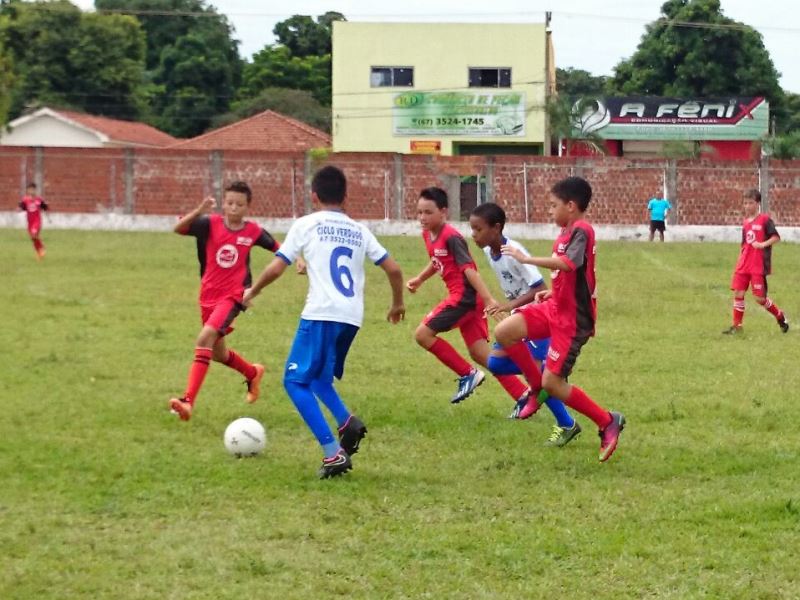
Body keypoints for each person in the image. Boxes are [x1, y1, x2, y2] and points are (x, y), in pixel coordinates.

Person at [243, 166, 405, 479]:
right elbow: (395, 270)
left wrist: (254, 290)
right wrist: (397, 303)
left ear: (314, 196)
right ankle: (347, 422)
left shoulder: (306, 224)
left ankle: (333, 452)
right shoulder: (360, 230)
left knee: (293, 381)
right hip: (351, 317)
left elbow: (278, 267)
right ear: (346, 197)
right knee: (318, 379)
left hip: (321, 313)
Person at [495, 176, 625, 462]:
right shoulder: (565, 233)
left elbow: (569, 264)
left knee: (555, 383)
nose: (550, 211)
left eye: (553, 206)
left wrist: (525, 259)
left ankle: (607, 421)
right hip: (555, 309)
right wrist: (550, 294)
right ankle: (535, 388)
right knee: (505, 331)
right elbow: (570, 278)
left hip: (573, 321)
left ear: (571, 205)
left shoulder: (582, 229)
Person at [469, 202, 581, 447]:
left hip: (534, 318)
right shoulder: (490, 252)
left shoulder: (514, 251)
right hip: (518, 320)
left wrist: (508, 307)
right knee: (497, 363)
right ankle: (544, 388)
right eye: (472, 229)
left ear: (496, 228)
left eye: (478, 229)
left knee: (540, 377)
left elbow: (539, 289)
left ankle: (566, 422)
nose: (473, 235)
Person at [169, 181, 283, 422]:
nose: (233, 208)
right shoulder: (209, 223)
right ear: (224, 203)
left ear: (248, 206)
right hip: (207, 296)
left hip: (234, 296)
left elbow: (278, 247)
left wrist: (299, 261)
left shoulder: (252, 231)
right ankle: (252, 373)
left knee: (204, 339)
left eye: (239, 204)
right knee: (218, 354)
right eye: (229, 203)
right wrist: (199, 210)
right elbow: (178, 228)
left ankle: (187, 400)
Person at [406, 187, 529, 409]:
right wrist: (420, 279)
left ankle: (468, 374)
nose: (422, 218)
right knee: (482, 354)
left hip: (464, 298)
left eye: (428, 212)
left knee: (423, 334)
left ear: (443, 212)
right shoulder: (428, 235)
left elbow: (469, 269)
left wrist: (489, 299)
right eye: (419, 212)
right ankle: (523, 395)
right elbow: (438, 261)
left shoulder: (451, 237)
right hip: (469, 301)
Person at [723, 188, 789, 335]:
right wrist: (741, 257)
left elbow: (776, 237)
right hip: (743, 264)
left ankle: (780, 315)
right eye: (745, 203)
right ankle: (737, 326)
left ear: (757, 203)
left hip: (757, 266)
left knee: (760, 299)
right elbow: (744, 243)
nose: (747, 206)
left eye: (750, 203)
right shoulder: (745, 223)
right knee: (738, 294)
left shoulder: (765, 220)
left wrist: (762, 244)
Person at [19, 182, 49, 259]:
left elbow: (44, 207)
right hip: (30, 222)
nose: (31, 191)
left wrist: (45, 206)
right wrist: (20, 206)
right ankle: (39, 251)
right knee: (33, 238)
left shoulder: (39, 200)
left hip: (37, 221)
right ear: (27, 191)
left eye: (33, 189)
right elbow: (23, 207)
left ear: (35, 190)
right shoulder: (25, 200)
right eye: (30, 189)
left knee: (34, 235)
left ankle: (41, 248)